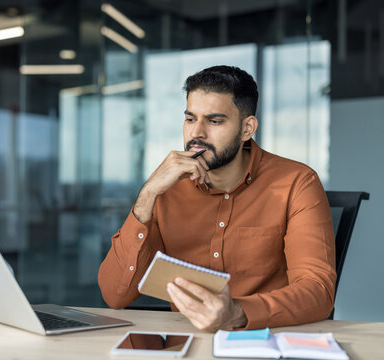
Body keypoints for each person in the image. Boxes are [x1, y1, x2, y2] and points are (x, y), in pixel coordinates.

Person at [98, 65, 336, 332]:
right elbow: (115, 295)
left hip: (267, 340)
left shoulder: (296, 182)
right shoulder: (165, 188)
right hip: (187, 340)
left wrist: (238, 313)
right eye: (190, 119)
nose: (196, 133)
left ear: (247, 128)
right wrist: (148, 194)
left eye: (214, 121)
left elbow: (318, 292)